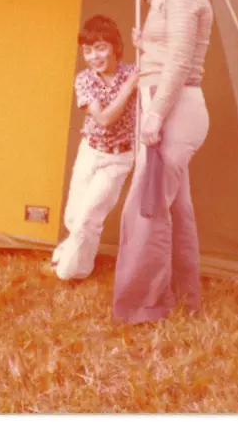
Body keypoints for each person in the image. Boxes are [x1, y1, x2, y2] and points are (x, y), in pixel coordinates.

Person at [110, 0, 213, 324]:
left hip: (174, 107)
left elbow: (179, 61)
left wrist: (154, 115)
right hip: (162, 104)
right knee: (175, 209)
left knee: (147, 207)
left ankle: (144, 307)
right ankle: (186, 297)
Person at [43, 15, 139, 281]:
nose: (94, 56)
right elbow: (105, 119)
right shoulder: (85, 80)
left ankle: (68, 272)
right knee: (74, 217)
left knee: (89, 217)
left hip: (118, 158)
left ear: (115, 47)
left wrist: (144, 44)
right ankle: (73, 257)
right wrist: (130, 88)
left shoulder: (134, 72)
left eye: (100, 47)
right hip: (90, 151)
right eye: (87, 50)